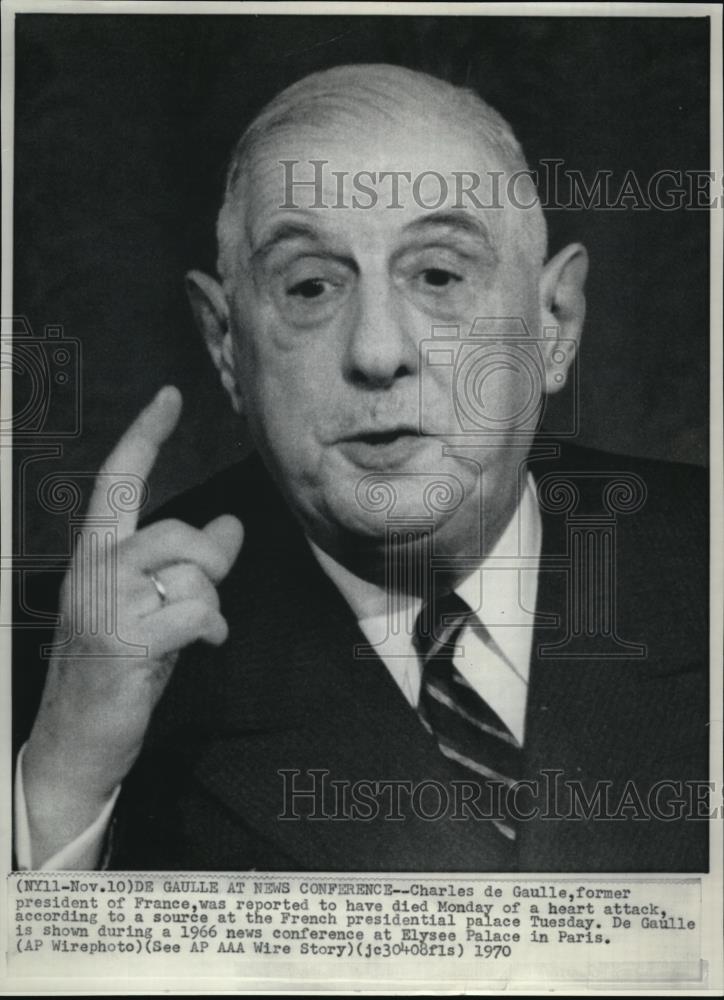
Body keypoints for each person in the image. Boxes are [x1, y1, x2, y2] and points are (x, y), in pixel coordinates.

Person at [15, 64, 708, 872]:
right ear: (224, 343)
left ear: (554, 323)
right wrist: (63, 785)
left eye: (439, 276)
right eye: (310, 287)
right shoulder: (66, 660)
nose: (378, 352)